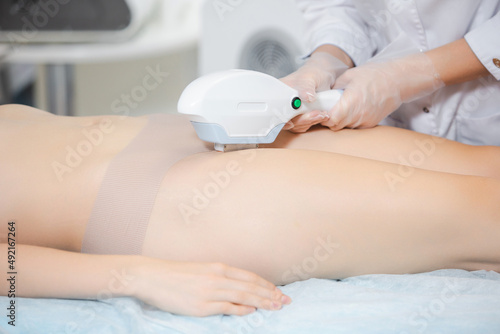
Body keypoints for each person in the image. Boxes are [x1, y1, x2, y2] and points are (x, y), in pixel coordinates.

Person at [0, 104, 499, 317]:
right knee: (484, 217)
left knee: (486, 168)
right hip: (164, 202)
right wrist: (139, 276)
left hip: (185, 132)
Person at [281, 0, 500, 145]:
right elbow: (335, 7)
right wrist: (325, 60)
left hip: (485, 106)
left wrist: (401, 78)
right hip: (392, 131)